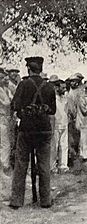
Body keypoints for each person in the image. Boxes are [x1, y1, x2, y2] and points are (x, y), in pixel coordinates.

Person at [10, 56, 56, 209]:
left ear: (29, 68)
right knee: (44, 165)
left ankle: (16, 201)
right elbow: (53, 110)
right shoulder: (49, 87)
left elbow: (15, 105)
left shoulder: (23, 84)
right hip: (44, 129)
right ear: (41, 69)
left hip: (27, 129)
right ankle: (46, 200)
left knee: (21, 164)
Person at [49, 76, 69, 173]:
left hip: (64, 123)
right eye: (62, 88)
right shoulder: (52, 98)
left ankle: (63, 166)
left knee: (64, 146)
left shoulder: (64, 98)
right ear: (57, 88)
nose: (64, 90)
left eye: (65, 88)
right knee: (54, 146)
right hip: (55, 124)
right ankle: (52, 167)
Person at [0, 68, 13, 176]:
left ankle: (4, 165)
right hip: (1, 117)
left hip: (6, 118)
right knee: (5, 144)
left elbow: (12, 100)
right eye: (3, 77)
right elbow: (7, 103)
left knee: (6, 143)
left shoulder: (6, 89)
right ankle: (4, 166)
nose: (5, 79)